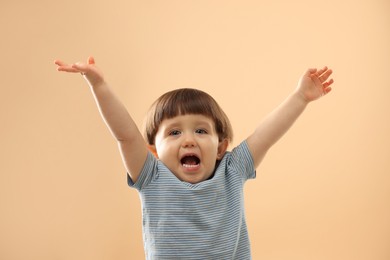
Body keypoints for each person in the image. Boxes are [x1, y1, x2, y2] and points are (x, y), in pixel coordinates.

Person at [54, 56, 333, 259]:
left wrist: (300, 97)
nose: (189, 139)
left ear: (221, 146)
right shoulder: (151, 176)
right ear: (153, 150)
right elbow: (125, 134)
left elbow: (266, 135)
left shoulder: (232, 170)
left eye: (201, 130)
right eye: (174, 133)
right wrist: (99, 85)